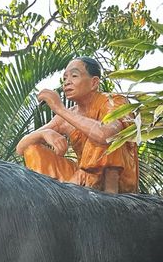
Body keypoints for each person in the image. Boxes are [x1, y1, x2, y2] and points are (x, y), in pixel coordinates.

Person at [16, 57, 138, 194]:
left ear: (94, 83)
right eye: (65, 78)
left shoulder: (113, 101)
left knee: (100, 135)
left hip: (116, 181)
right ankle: (56, 195)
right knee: (33, 149)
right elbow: (21, 148)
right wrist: (44, 133)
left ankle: (108, 195)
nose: (67, 82)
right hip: (82, 181)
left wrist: (60, 109)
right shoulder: (66, 116)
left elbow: (106, 134)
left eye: (74, 76)